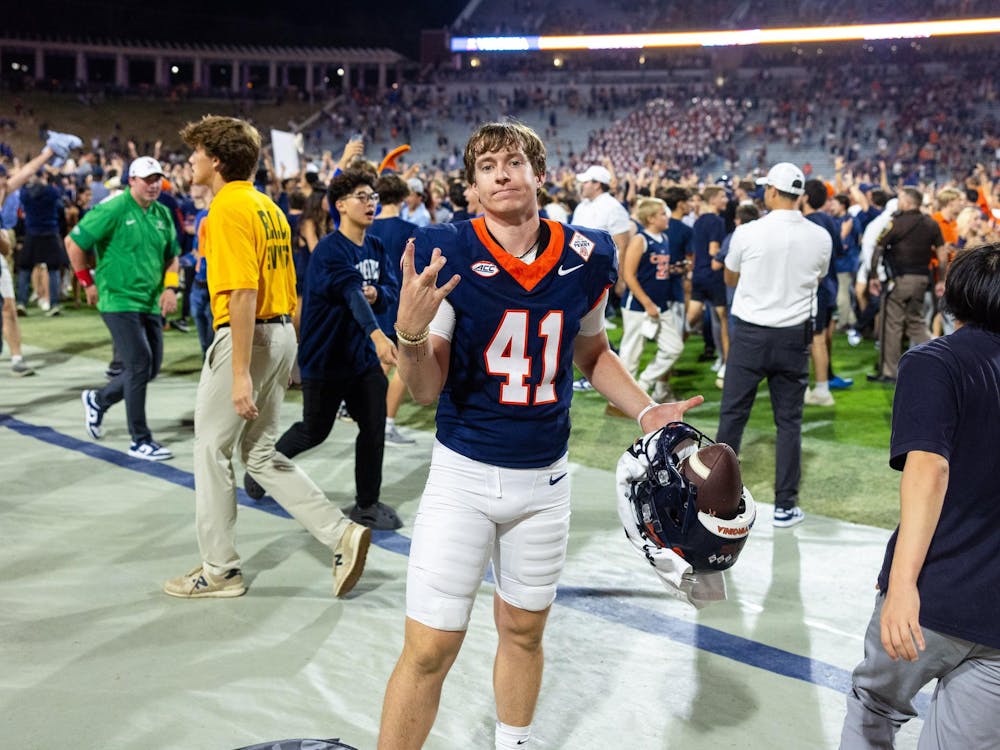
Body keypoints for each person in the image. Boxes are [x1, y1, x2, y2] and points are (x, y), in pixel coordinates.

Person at [376, 122, 703, 750]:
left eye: (514, 161)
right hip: (464, 475)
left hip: (546, 481)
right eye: (488, 166)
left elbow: (593, 350)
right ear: (471, 187)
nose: (502, 173)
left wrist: (645, 412)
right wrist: (411, 337)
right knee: (430, 646)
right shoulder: (445, 251)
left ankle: (514, 743)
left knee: (524, 631)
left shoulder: (589, 252)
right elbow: (423, 390)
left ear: (538, 172)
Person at [164, 115, 370, 599]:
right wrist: (286, 354)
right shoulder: (269, 207)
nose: (190, 161)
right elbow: (285, 286)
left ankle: (219, 571)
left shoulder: (226, 210)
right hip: (279, 336)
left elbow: (241, 294)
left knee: (211, 451)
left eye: (195, 153)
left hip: (248, 338)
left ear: (215, 160)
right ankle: (340, 533)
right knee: (258, 453)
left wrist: (238, 375)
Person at [839, 243, 1000, 750]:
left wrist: (903, 582)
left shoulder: (936, 360)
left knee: (874, 708)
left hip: (934, 592)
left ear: (952, 298)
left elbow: (929, 468)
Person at [244, 169, 404, 531]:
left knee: (374, 426)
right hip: (326, 357)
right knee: (315, 429)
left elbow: (390, 288)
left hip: (359, 359)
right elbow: (350, 291)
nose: (370, 203)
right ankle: (261, 468)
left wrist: (379, 294)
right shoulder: (330, 250)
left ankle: (367, 504)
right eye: (362, 197)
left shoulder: (376, 246)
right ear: (341, 206)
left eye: (373, 197)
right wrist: (378, 335)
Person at [716, 162, 832, 528]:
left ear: (770, 192)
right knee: (789, 423)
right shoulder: (819, 236)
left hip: (750, 334)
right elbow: (819, 276)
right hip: (792, 337)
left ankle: (716, 500)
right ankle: (785, 504)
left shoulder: (748, 232)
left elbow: (730, 275)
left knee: (732, 417)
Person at [67, 156, 181, 460]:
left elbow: (173, 256)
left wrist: (170, 287)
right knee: (139, 363)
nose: (154, 184)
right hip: (117, 298)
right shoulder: (113, 209)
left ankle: (99, 400)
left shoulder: (163, 214)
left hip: (149, 300)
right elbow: (74, 242)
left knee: (150, 368)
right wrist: (86, 282)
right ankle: (140, 439)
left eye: (157, 178)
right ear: (131, 180)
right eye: (147, 179)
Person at [868, 187, 947, 383]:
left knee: (891, 324)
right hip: (922, 280)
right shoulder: (931, 224)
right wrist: (942, 279)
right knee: (916, 323)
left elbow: (878, 249)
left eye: (901, 198)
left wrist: (873, 275)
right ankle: (943, 357)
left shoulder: (896, 223)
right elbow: (942, 254)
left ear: (907, 202)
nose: (899, 201)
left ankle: (889, 371)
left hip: (900, 280)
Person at [369, 173, 419, 446]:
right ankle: (386, 424)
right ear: (402, 197)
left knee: (379, 362)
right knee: (402, 364)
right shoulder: (410, 229)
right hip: (401, 303)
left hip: (372, 301)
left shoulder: (367, 226)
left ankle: (368, 416)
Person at [618, 196, 685, 395]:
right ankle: (621, 399)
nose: (667, 217)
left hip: (660, 304)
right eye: (663, 214)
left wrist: (673, 269)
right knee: (631, 353)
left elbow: (654, 270)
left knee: (674, 347)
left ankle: (643, 385)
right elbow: (628, 275)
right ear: (651, 219)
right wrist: (647, 303)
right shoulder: (640, 239)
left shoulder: (664, 239)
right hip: (638, 306)